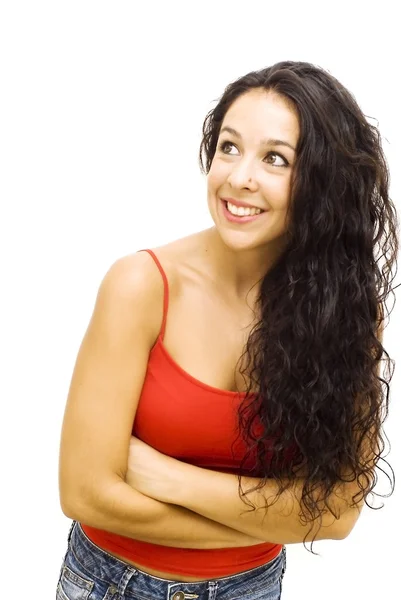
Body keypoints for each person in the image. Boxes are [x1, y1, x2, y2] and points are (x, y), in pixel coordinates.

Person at [57, 60, 398, 600]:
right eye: (229, 147)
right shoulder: (140, 285)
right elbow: (85, 493)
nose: (240, 177)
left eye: (276, 159)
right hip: (112, 584)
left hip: (255, 589)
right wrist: (273, 518)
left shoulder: (348, 313)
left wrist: (171, 479)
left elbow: (335, 513)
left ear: (324, 184)